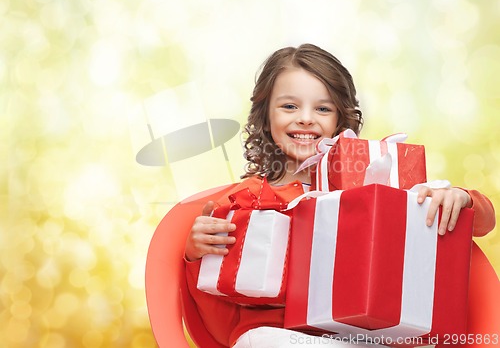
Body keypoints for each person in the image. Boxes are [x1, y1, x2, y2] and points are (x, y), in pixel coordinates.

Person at [183, 44, 496, 347]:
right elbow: (216, 309)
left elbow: (479, 224)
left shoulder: (372, 188)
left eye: (322, 108)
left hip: (361, 335)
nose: (306, 118)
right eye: (289, 106)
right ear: (265, 117)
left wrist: (460, 198)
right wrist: (196, 254)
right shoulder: (245, 201)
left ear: (340, 120)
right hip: (273, 336)